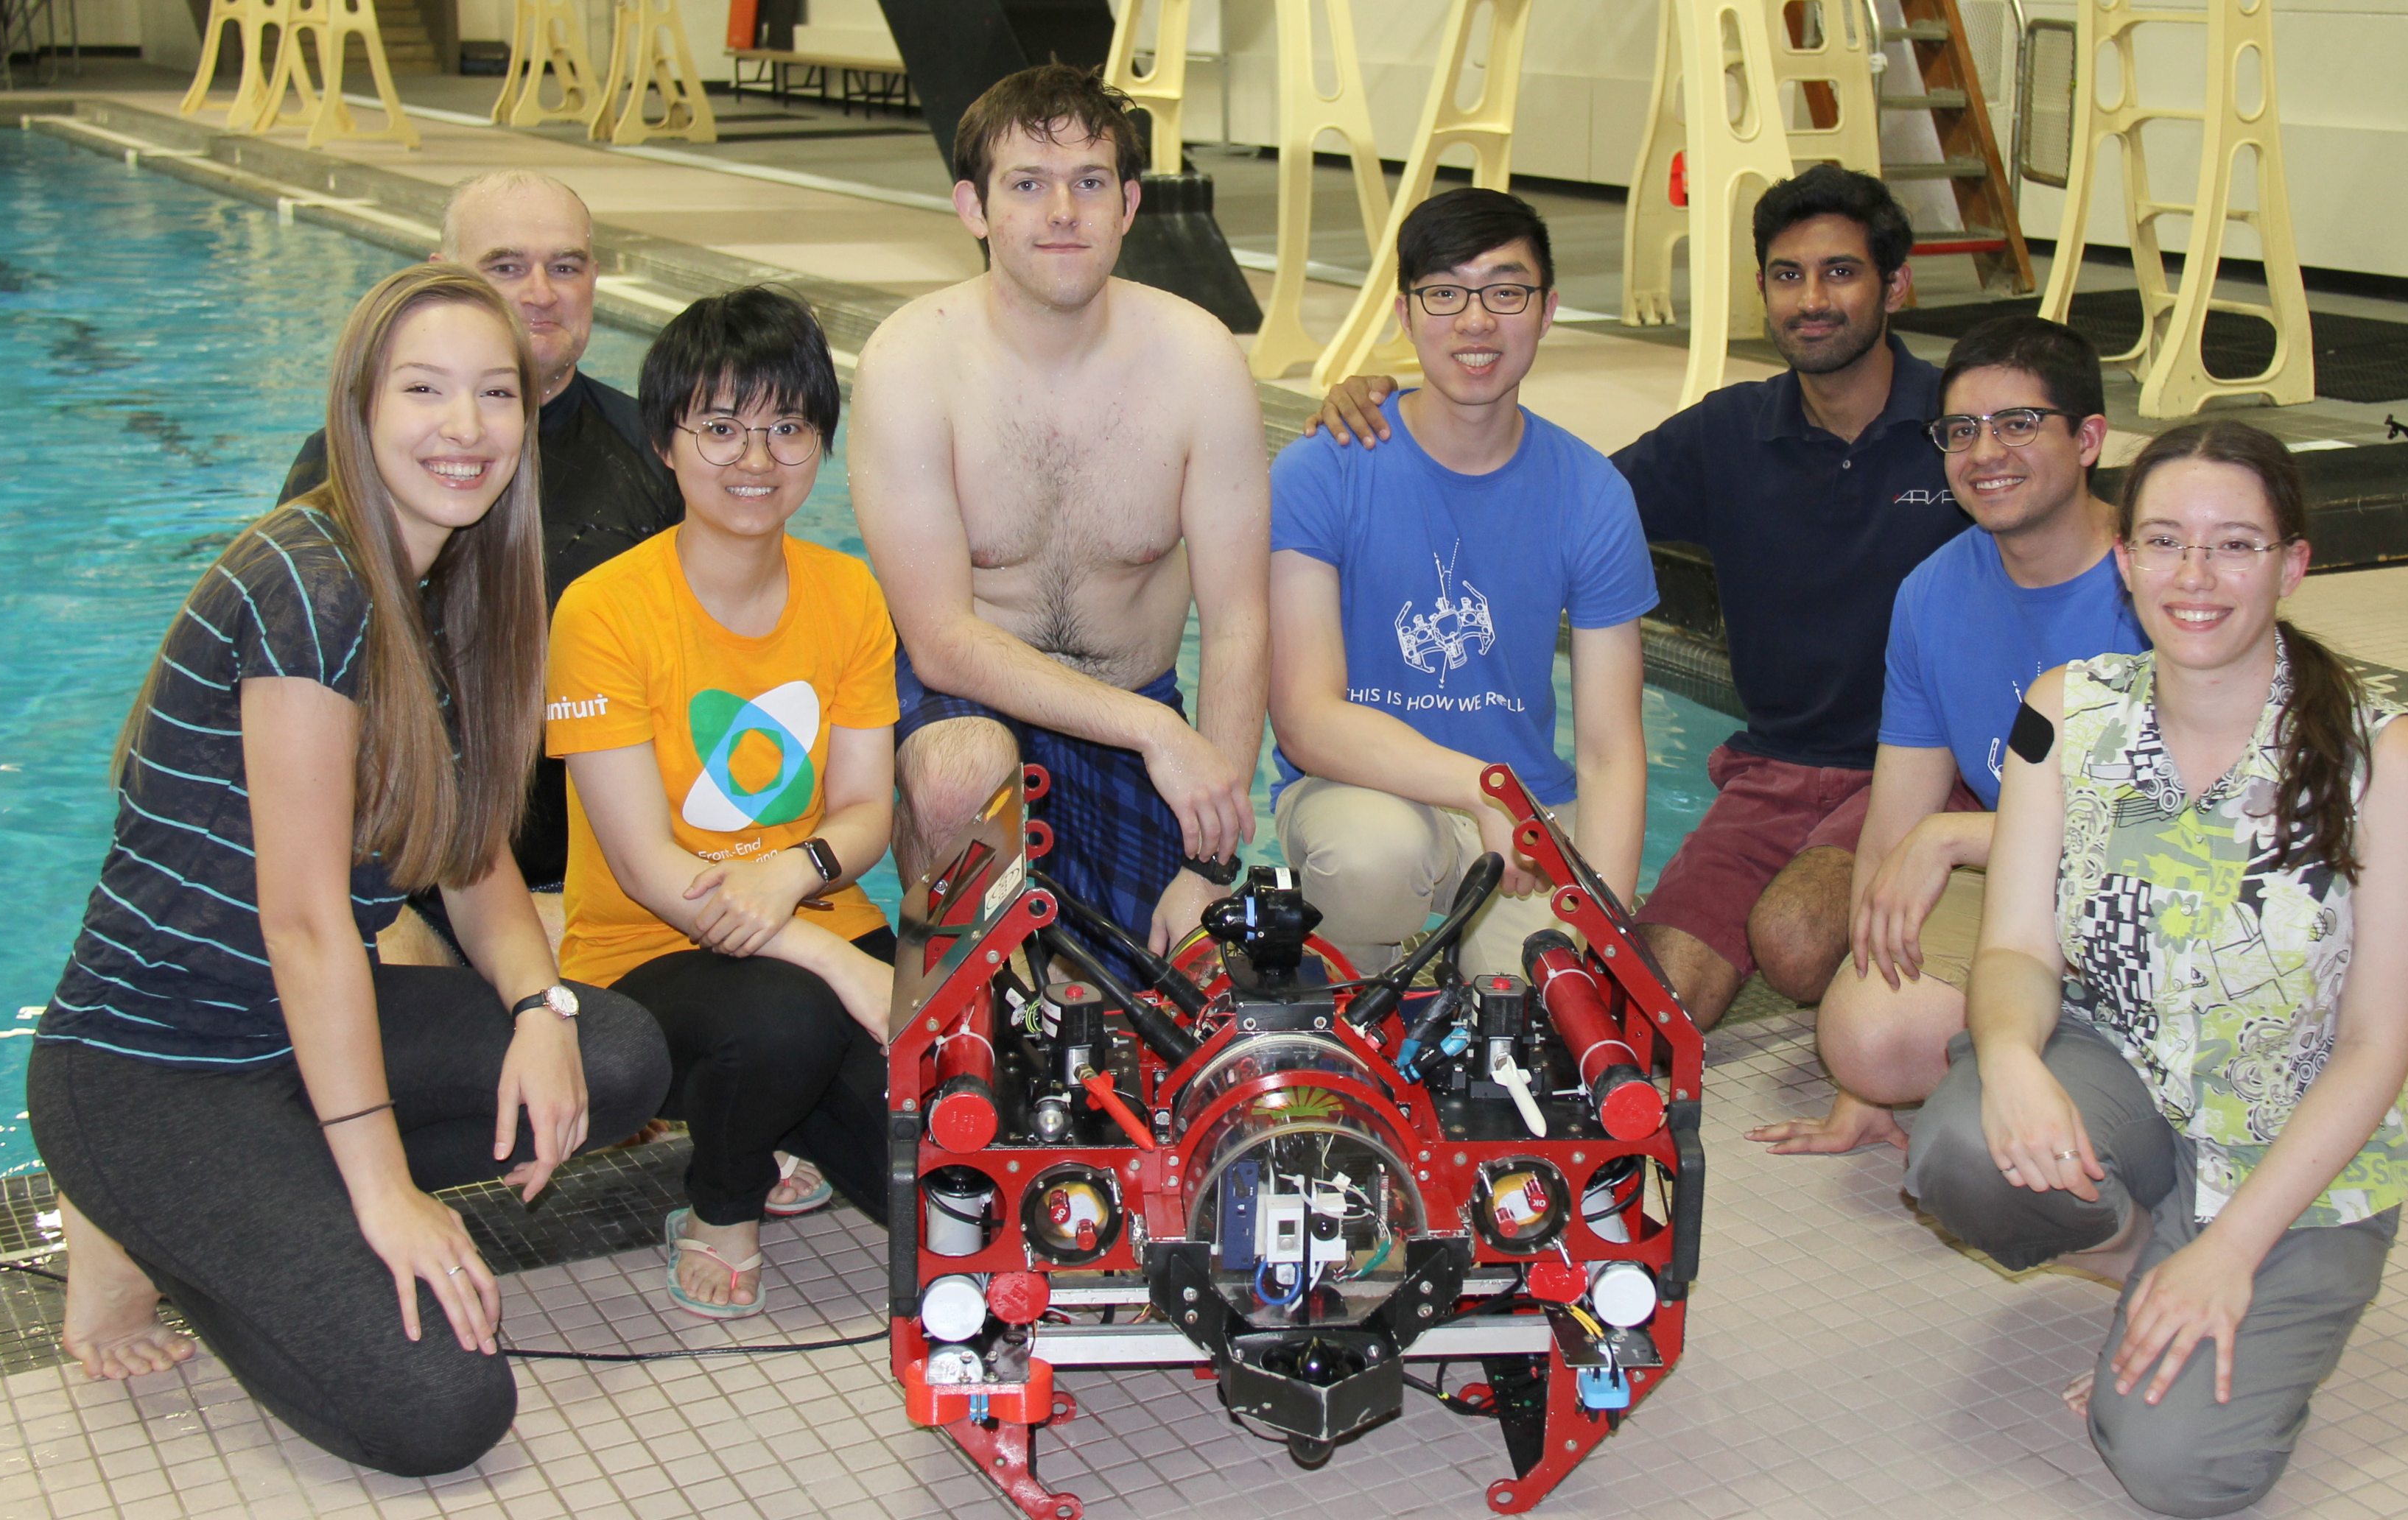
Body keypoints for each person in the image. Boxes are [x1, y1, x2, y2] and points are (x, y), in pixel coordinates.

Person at [29, 265, 670, 1475]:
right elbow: (309, 922)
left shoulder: (459, 591)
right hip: (153, 1062)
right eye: (424, 389)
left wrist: (541, 1008)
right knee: (441, 1406)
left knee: (611, 1052)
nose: (465, 426)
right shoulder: (309, 581)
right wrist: (383, 1193)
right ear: (359, 404)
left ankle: (253, 1198)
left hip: (292, 1041)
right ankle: (139, 1216)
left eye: (493, 394)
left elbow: (474, 858)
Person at [1902, 420, 2408, 1516]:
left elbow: (2372, 1048)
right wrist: (2009, 1057)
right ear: (2122, 557)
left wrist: (2231, 1249)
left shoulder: (2384, 759)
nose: (2193, 577)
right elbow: (2012, 943)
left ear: (2292, 563)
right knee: (1963, 1147)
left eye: (2234, 546)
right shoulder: (2063, 711)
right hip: (2126, 1084)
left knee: (2177, 1469)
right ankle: (2146, 1252)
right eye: (2162, 541)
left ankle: (2201, 1274)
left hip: (2289, 1155)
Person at [1306, 164, 1964, 1025]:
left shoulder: (1964, 431)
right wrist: (1375, 402)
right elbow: (1553, 502)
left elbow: (2055, 526)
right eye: (1786, 275)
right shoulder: (1729, 435)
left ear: (1897, 284)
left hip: (1917, 768)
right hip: (1774, 769)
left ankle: (1896, 956)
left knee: (1797, 940)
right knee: (1646, 1009)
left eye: (1841, 272)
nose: (1812, 299)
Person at [848, 64, 1269, 972]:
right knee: (961, 770)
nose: (1063, 212)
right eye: (1028, 185)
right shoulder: (911, 363)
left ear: (1129, 204)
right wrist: (1161, 734)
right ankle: (948, 1018)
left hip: (1135, 711)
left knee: (1164, 999)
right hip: (970, 709)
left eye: (1088, 183)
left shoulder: (1200, 364)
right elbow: (940, 643)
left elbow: (1240, 623)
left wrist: (1211, 858)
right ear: (974, 207)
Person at [547, 287, 900, 1318]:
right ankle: (720, 1201)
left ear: (820, 442)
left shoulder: (848, 594)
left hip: (812, 909)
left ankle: (787, 1125)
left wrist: (796, 873)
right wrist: (835, 962)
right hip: (649, 947)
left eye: (786, 427)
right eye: (720, 427)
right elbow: (649, 870)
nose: (756, 460)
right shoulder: (605, 610)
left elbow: (866, 809)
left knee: (936, 1159)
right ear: (665, 442)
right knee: (789, 1023)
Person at [1753, 317, 2147, 1155]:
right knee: (1867, 1034)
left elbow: (2186, 823)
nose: (1984, 452)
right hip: (2031, 888)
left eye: (2018, 424)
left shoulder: (2156, 586)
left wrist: (1963, 834)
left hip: (2157, 897)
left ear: (2089, 439)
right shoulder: (1934, 592)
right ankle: (2038, 1036)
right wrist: (1863, 1084)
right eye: (1960, 430)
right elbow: (1895, 824)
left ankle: (2075, 1050)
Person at [1266, 188, 1654, 975]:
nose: (1475, 321)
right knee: (1369, 862)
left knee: (1559, 1004)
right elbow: (1306, 717)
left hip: (1532, 817)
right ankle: (1352, 1015)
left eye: (1506, 292)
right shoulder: (1324, 469)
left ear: (1546, 312)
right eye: (1444, 292)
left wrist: (1600, 922)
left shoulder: (1592, 493)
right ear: (1406, 316)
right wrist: (1479, 788)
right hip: (1364, 792)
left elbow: (1612, 751)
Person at [280, 170, 684, 915]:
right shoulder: (351, 464)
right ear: (440, 284)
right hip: (408, 881)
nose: (540, 291)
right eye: (504, 266)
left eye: (565, 266)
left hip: (610, 883)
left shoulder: (665, 456)